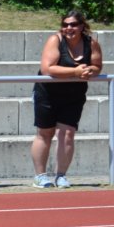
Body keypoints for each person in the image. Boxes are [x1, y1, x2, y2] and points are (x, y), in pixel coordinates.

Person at [30, 10, 102, 189]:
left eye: (73, 24)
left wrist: (91, 70)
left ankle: (61, 175)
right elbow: (47, 69)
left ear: (82, 26)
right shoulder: (55, 40)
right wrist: (76, 71)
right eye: (65, 24)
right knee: (45, 133)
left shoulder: (91, 43)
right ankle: (40, 176)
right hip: (47, 93)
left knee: (68, 134)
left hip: (74, 95)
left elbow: (97, 66)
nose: (69, 28)